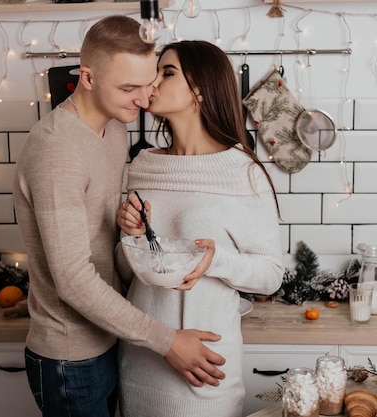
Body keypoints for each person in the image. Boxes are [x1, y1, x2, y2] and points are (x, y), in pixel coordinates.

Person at [13, 17, 226, 417]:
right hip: (69, 358)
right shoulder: (57, 151)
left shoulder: (113, 129)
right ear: (87, 78)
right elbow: (73, 281)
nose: (144, 100)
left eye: (148, 85)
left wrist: (127, 221)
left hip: (107, 341)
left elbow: (96, 230)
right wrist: (168, 342)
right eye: (129, 89)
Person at [115, 40, 284, 417]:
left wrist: (216, 261)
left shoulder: (243, 172)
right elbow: (128, 274)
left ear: (201, 90)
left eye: (167, 72)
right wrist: (133, 235)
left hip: (203, 367)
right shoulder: (142, 165)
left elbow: (272, 275)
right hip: (141, 358)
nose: (152, 81)